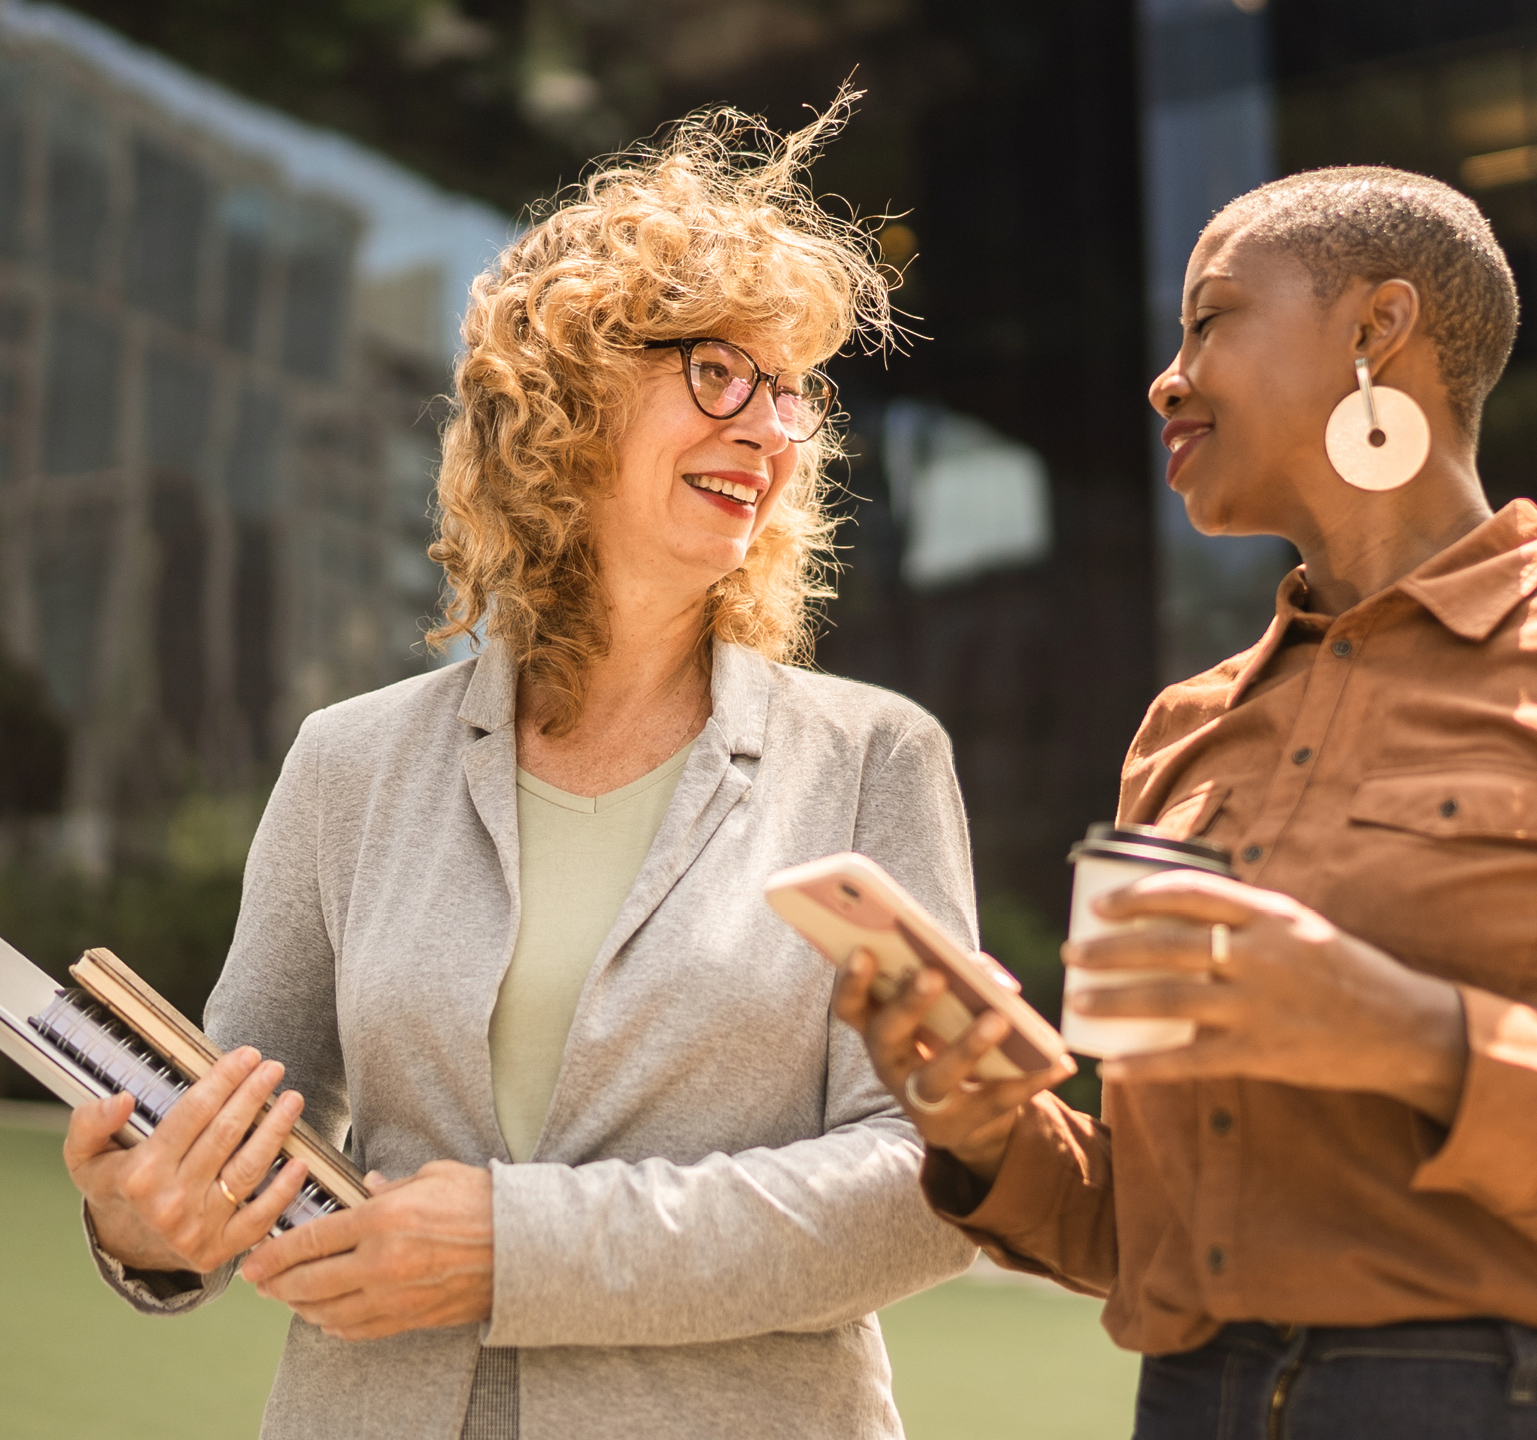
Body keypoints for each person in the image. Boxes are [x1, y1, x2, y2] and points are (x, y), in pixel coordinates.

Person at [832, 166, 1537, 1439]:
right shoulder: (1182, 735)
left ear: (1375, 330)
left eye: (1210, 320)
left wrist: (1419, 1038)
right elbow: (1164, 1234)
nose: (1167, 376)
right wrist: (993, 1134)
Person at [56, 102, 976, 1438]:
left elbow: (933, 1176)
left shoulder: (873, 760)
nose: (774, 430)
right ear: (568, 397)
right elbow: (247, 1128)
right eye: (723, 371)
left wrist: (517, 1249)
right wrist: (149, 1219)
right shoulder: (349, 765)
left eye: (795, 394)